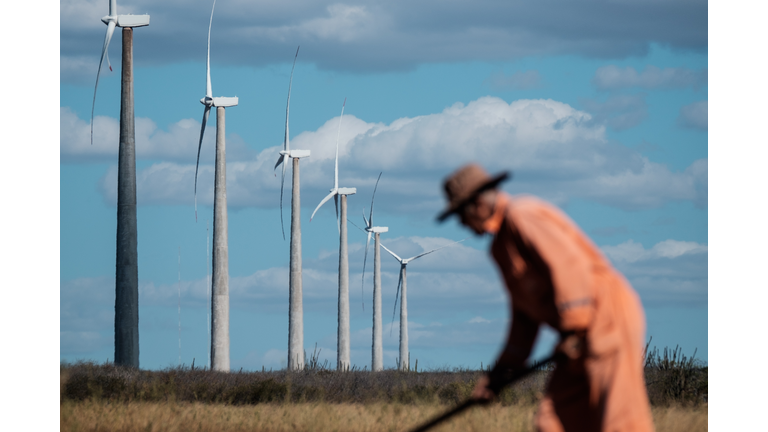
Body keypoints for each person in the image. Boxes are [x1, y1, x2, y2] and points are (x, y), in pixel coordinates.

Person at [437, 163, 654, 432]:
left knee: (618, 420)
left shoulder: (522, 214)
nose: (461, 224)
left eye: (460, 214)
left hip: (605, 318)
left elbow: (568, 266)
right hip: (574, 334)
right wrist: (500, 373)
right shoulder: (499, 250)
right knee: (553, 423)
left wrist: (575, 328)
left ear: (477, 203)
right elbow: (524, 318)